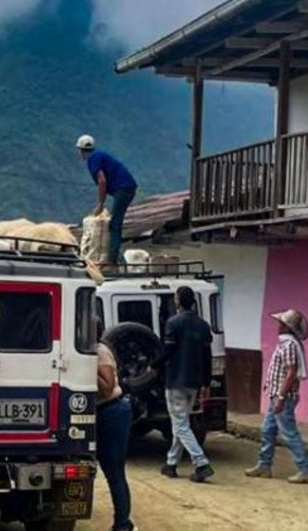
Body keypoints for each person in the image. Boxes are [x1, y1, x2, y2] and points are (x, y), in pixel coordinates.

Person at [151, 286, 215, 483]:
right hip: (194, 382)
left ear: (178, 300)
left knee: (180, 424)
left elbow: (168, 350)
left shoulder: (173, 323)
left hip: (176, 381)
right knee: (181, 423)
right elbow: (207, 356)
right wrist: (206, 382)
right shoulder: (203, 326)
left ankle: (201, 462)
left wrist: (154, 365)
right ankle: (171, 463)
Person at [246, 309, 308, 484]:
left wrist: (280, 396)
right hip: (276, 394)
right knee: (268, 429)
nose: (278, 326)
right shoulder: (287, 343)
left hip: (282, 396)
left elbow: (291, 372)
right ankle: (264, 465)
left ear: (286, 327)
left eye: (280, 323)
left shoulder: (289, 345)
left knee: (289, 432)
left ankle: (305, 469)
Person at [96, 322, 137, 531]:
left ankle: (123, 527)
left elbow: (107, 387)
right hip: (104, 413)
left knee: (115, 472)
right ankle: (121, 525)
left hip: (112, 411)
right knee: (109, 469)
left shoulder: (99, 351)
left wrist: (85, 363)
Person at [77, 134, 137, 268]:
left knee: (115, 224)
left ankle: (112, 260)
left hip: (124, 188)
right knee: (114, 223)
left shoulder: (93, 159)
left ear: (81, 150)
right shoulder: (98, 155)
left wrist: (100, 204)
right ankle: (114, 257)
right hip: (125, 188)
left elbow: (102, 181)